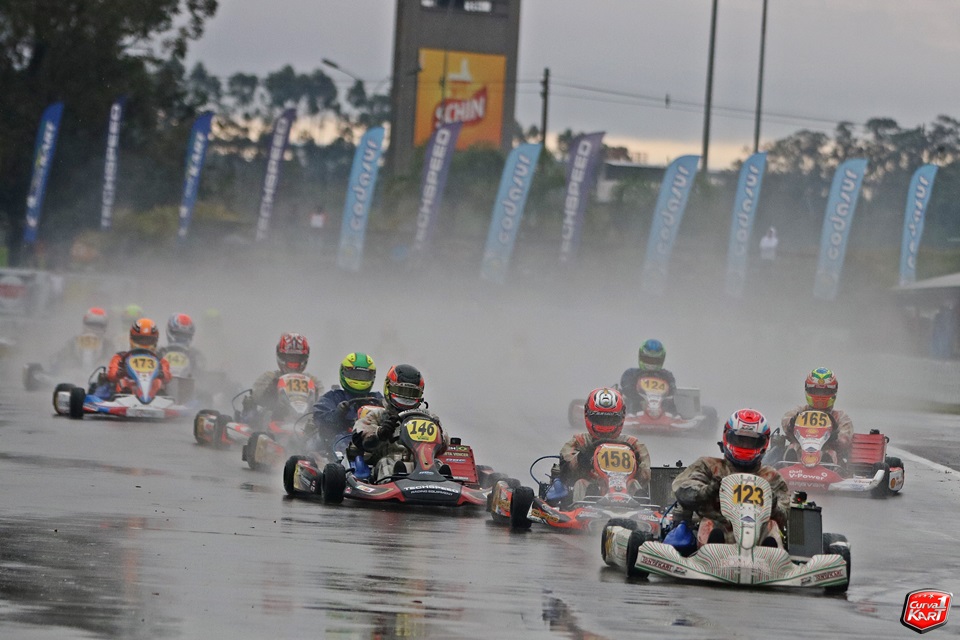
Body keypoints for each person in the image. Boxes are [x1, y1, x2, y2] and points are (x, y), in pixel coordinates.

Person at [671, 409, 790, 549]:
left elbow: (787, 515)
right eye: (740, 440)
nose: (744, 446)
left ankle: (770, 554)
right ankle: (712, 551)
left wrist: (773, 505)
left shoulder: (771, 477)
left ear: (763, 443)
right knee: (710, 524)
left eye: (751, 442)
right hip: (717, 531)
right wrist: (708, 491)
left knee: (772, 526)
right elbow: (683, 488)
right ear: (727, 437)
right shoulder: (709, 466)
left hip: (758, 539)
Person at [351, 364, 447, 482]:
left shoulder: (428, 417)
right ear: (388, 388)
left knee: (438, 464)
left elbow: (444, 443)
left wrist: (439, 435)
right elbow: (359, 434)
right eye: (401, 391)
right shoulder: (378, 415)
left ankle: (443, 485)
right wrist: (380, 433)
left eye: (411, 393)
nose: (406, 397)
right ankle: (391, 484)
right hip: (386, 462)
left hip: (422, 462)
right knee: (387, 463)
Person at [556, 387, 651, 504]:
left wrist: (635, 465)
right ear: (587, 415)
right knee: (580, 483)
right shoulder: (579, 442)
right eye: (599, 418)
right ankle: (582, 506)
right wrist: (584, 456)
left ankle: (641, 507)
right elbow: (566, 473)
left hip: (626, 495)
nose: (605, 424)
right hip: (592, 491)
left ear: (621, 416)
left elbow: (645, 477)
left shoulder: (634, 445)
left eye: (611, 419)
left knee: (634, 484)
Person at [308, 352, 384, 451]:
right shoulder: (332, 397)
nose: (359, 379)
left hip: (372, 441)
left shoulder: (377, 399)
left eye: (363, 376)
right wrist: (338, 413)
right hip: (339, 443)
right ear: (343, 373)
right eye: (355, 375)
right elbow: (320, 421)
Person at [244, 332, 322, 425]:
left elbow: (322, 404)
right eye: (289, 357)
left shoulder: (313, 381)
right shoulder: (269, 377)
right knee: (252, 409)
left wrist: (316, 395)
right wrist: (270, 391)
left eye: (297, 357)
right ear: (280, 355)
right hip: (272, 422)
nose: (293, 361)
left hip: (305, 423)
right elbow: (257, 397)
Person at [780, 367, 854, 464]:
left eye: (825, 392)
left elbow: (844, 440)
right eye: (816, 391)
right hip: (801, 452)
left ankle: (826, 464)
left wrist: (834, 435)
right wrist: (792, 424)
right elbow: (785, 421)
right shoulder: (799, 412)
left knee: (830, 452)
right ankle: (789, 464)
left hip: (830, 455)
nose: (820, 395)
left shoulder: (841, 417)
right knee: (793, 447)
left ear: (833, 392)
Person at [97, 318, 172, 399]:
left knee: (158, 381)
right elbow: (112, 375)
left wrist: (161, 374)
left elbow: (167, 376)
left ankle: (154, 397)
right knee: (121, 381)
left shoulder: (159, 361)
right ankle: (125, 393)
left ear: (155, 340)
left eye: (148, 340)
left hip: (153, 395)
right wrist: (120, 373)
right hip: (124, 395)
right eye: (140, 339)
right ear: (132, 338)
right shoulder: (120, 357)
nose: (144, 343)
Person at [618, 339, 677, 414]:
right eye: (648, 359)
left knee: (669, 400)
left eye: (655, 360)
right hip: (634, 411)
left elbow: (672, 391)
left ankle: (673, 415)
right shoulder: (631, 373)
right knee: (624, 398)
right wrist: (640, 400)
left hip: (662, 411)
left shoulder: (667, 375)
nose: (651, 363)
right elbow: (628, 389)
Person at [47, 307, 113, 372]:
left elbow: (112, 363)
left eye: (98, 326)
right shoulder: (73, 342)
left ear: (104, 327)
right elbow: (58, 361)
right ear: (84, 324)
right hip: (71, 374)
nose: (94, 328)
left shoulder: (108, 345)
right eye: (91, 324)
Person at [158, 313, 207, 377]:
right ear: (170, 331)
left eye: (185, 335)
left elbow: (201, 377)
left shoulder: (195, 355)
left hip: (187, 382)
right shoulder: (159, 352)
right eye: (178, 334)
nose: (181, 338)